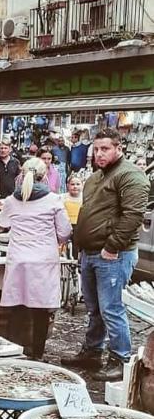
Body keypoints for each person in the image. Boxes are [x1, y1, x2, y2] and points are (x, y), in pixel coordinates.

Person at [61, 128, 149, 380]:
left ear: (119, 148)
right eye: (96, 149)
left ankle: (120, 359)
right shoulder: (96, 177)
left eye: (105, 149)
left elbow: (133, 216)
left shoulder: (130, 176)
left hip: (113, 254)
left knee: (111, 308)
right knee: (94, 308)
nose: (99, 153)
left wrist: (112, 247)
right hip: (91, 252)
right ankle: (92, 352)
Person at [0, 159, 72, 359]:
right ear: (44, 175)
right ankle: (37, 354)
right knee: (40, 311)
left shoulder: (12, 200)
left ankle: (13, 352)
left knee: (17, 307)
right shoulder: (54, 200)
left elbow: (2, 221)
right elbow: (65, 231)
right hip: (43, 261)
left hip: (18, 259)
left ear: (22, 175)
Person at [63, 174, 83, 258]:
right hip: (66, 226)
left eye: (78, 184)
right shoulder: (62, 198)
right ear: (67, 185)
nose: (75, 187)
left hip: (80, 227)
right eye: (72, 184)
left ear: (82, 185)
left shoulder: (85, 198)